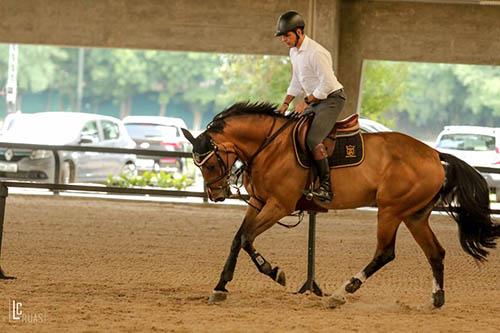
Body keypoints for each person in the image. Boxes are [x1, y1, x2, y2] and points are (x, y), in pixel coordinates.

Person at [275, 10, 348, 203]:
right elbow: (296, 81)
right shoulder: (294, 52)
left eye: (286, 35)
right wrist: (285, 103)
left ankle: (326, 186)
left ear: (299, 32)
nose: (283, 39)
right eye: (282, 36)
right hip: (316, 99)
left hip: (332, 99)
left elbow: (327, 84)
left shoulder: (317, 52)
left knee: (313, 138)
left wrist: (306, 102)